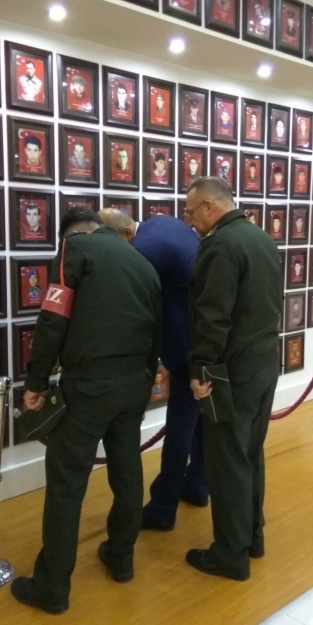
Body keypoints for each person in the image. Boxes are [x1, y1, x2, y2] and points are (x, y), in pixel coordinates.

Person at [11, 208, 161, 614]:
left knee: (66, 485)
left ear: (72, 235)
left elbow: (52, 319)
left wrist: (36, 383)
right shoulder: (142, 262)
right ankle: (121, 558)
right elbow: (155, 330)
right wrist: (144, 381)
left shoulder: (74, 250)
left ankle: (51, 587)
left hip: (88, 387)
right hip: (134, 384)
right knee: (127, 472)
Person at [184, 177, 282, 581]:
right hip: (263, 363)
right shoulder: (261, 238)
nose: (189, 220)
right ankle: (252, 538)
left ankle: (230, 555)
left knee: (226, 462)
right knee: (249, 455)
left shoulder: (221, 245)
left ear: (210, 206)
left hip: (230, 371)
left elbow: (213, 315)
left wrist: (200, 368)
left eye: (191, 211)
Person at [99, 208, 209, 531]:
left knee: (179, 429)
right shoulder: (161, 223)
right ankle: (198, 485)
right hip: (200, 342)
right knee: (199, 422)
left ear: (124, 235)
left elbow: (126, 302)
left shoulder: (142, 250)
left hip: (187, 348)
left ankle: (163, 508)